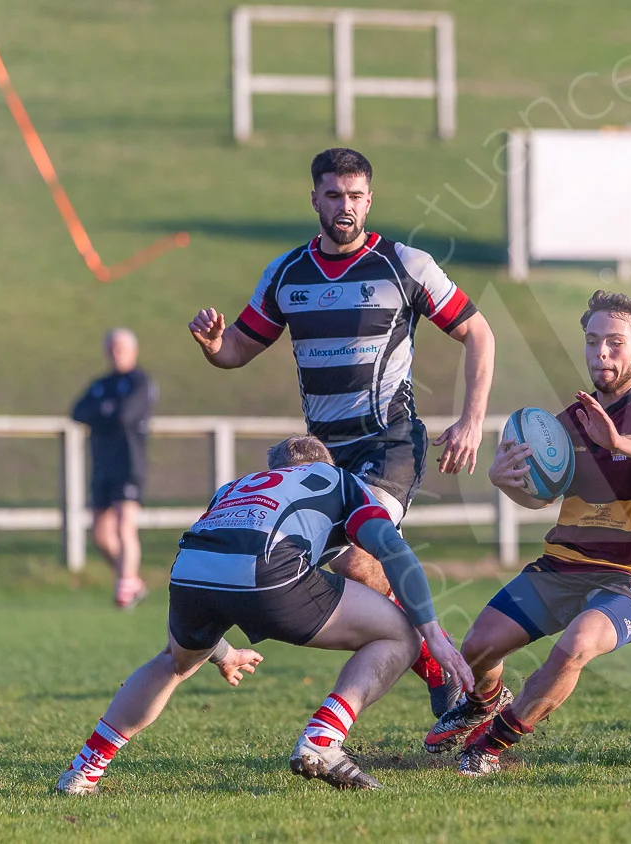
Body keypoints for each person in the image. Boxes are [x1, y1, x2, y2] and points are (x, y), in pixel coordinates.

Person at [185, 148, 496, 716]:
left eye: (355, 196)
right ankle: (441, 667)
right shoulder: (286, 274)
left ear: (369, 200)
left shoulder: (405, 265)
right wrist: (212, 345)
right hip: (322, 457)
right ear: (315, 200)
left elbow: (479, 332)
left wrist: (472, 419)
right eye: (333, 196)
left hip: (389, 443)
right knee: (321, 558)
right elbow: (238, 351)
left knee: (356, 555)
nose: (344, 207)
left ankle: (439, 672)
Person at [54, 436, 474, 795]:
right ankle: (322, 739)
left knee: (173, 662)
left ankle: (83, 770)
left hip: (188, 571)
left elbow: (217, 566)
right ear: (323, 463)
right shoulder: (339, 480)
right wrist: (432, 632)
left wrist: (221, 653)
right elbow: (392, 549)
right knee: (402, 632)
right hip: (270, 570)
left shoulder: (235, 487)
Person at [423, 290, 631, 776]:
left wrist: (619, 442)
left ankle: (491, 744)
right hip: (565, 564)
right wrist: (505, 482)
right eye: (592, 342)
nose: (601, 354)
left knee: (574, 647)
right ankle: (485, 701)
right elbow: (539, 495)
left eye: (614, 343)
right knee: (477, 648)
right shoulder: (569, 423)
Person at [71, 328, 157, 608]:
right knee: (100, 535)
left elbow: (125, 415)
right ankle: (131, 580)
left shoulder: (140, 381)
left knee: (124, 525)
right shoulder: (101, 384)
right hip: (102, 464)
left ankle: (124, 587)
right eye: (111, 348)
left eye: (120, 347)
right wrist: (107, 411)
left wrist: (103, 412)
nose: (115, 353)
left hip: (129, 462)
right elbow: (78, 412)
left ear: (133, 350)